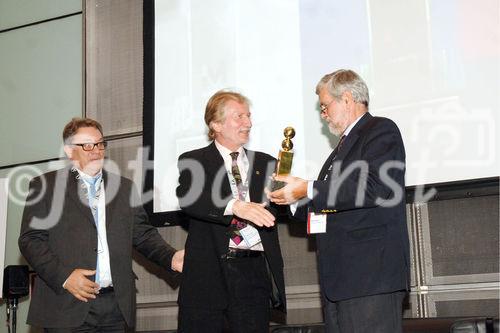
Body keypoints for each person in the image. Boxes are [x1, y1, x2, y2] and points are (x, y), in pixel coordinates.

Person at [268, 69, 410, 333]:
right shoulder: (338, 151)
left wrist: (308, 188)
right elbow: (328, 206)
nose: (323, 116)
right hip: (341, 281)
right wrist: (291, 199)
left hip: (370, 277)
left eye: (325, 107)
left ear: (346, 99)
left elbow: (376, 188)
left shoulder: (380, 130)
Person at [19, 118, 184, 332]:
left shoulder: (124, 188)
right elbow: (31, 240)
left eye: (99, 143)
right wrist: (65, 277)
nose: (96, 150)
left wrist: (170, 257)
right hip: (67, 302)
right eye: (87, 145)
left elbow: (143, 235)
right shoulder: (45, 186)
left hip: (115, 305)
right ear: (69, 150)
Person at [176, 90, 286, 333]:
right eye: (239, 117)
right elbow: (189, 198)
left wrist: (292, 195)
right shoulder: (194, 160)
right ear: (215, 124)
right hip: (208, 276)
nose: (248, 122)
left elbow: (280, 208)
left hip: (254, 274)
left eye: (248, 116)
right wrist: (236, 206)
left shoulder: (267, 163)